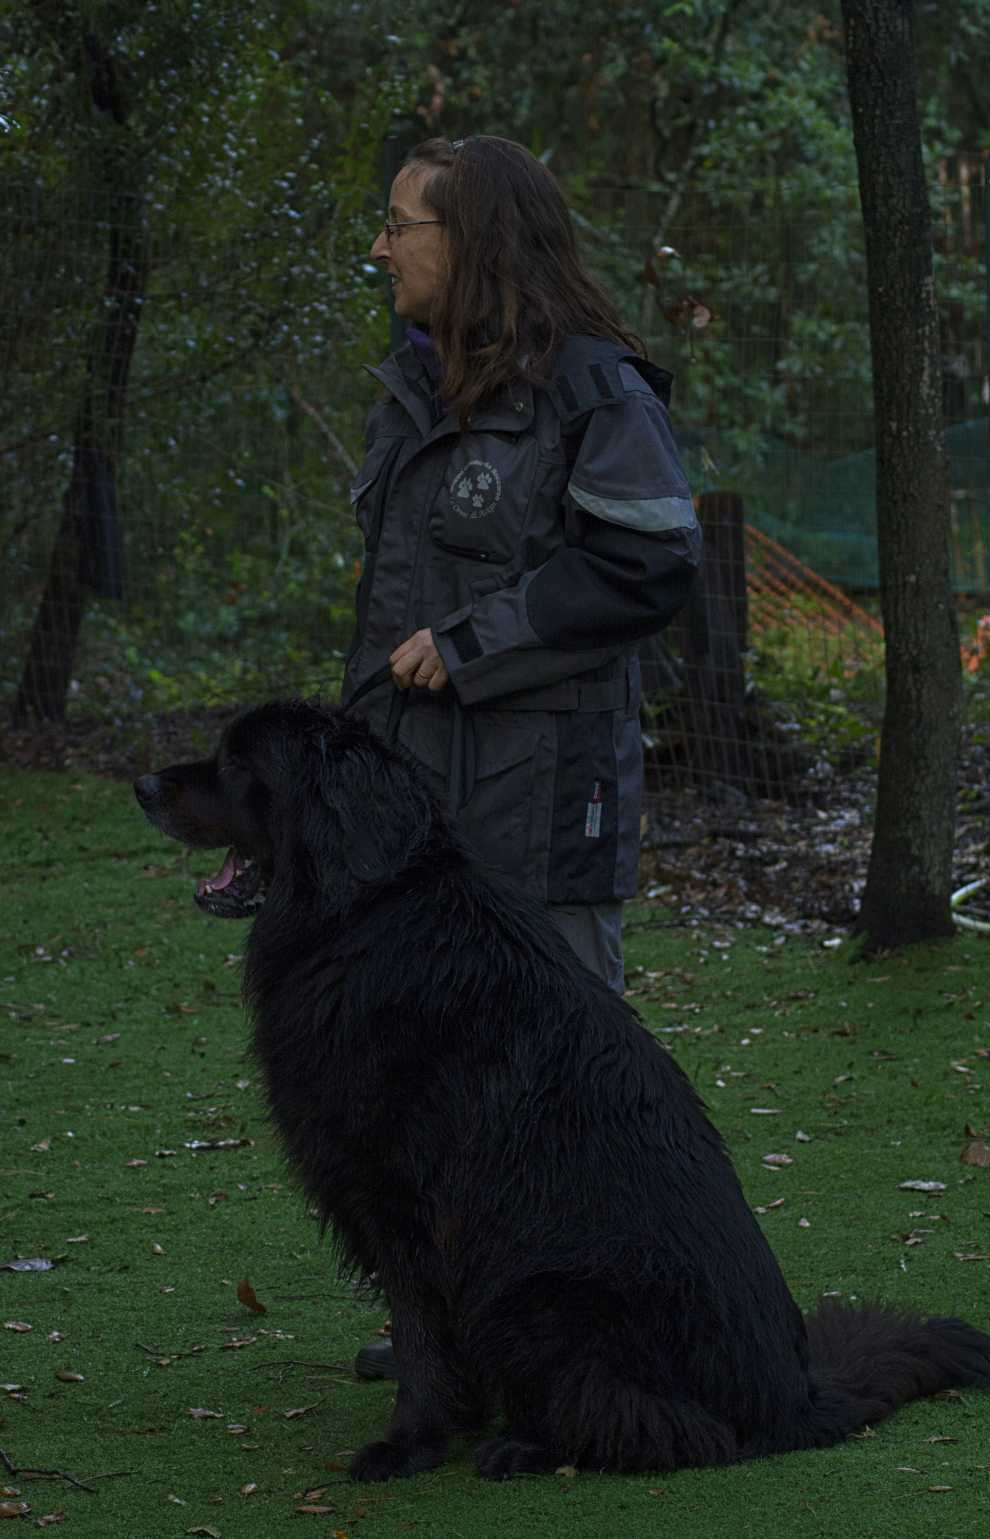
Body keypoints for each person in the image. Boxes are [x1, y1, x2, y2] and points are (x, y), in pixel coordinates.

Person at [341, 135, 702, 1378]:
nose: (379, 247)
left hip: (543, 801)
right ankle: (449, 1325)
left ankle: (600, 1344)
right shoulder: (416, 384)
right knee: (430, 1070)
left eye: (401, 226)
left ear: (474, 239)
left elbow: (649, 560)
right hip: (416, 807)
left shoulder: (595, 392)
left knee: (562, 1081)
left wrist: (478, 639)